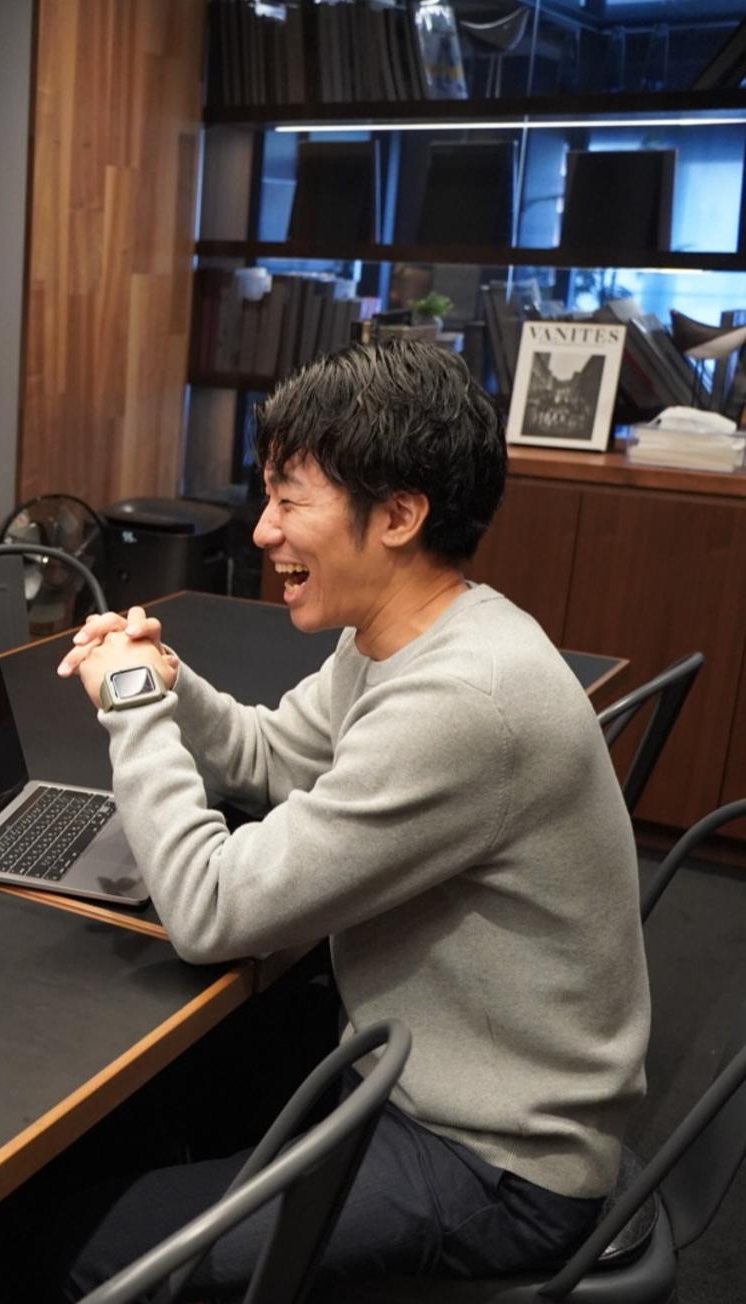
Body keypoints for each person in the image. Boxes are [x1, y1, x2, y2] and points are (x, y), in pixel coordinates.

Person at [50, 339, 650, 1293]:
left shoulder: (463, 701)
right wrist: (167, 679)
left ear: (400, 516)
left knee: (98, 1252)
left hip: (493, 1162)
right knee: (152, 1125)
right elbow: (271, 756)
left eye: (291, 500)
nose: (263, 531)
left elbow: (211, 910)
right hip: (417, 1075)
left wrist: (130, 702)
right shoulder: (407, 636)